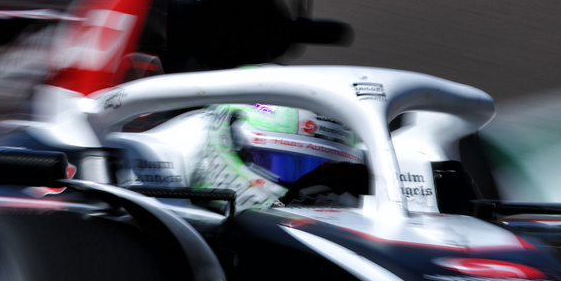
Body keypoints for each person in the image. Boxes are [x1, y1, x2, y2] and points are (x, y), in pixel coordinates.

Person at [108, 103, 367, 210]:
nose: (309, 190)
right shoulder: (150, 160)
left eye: (323, 170)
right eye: (287, 166)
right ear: (228, 141)